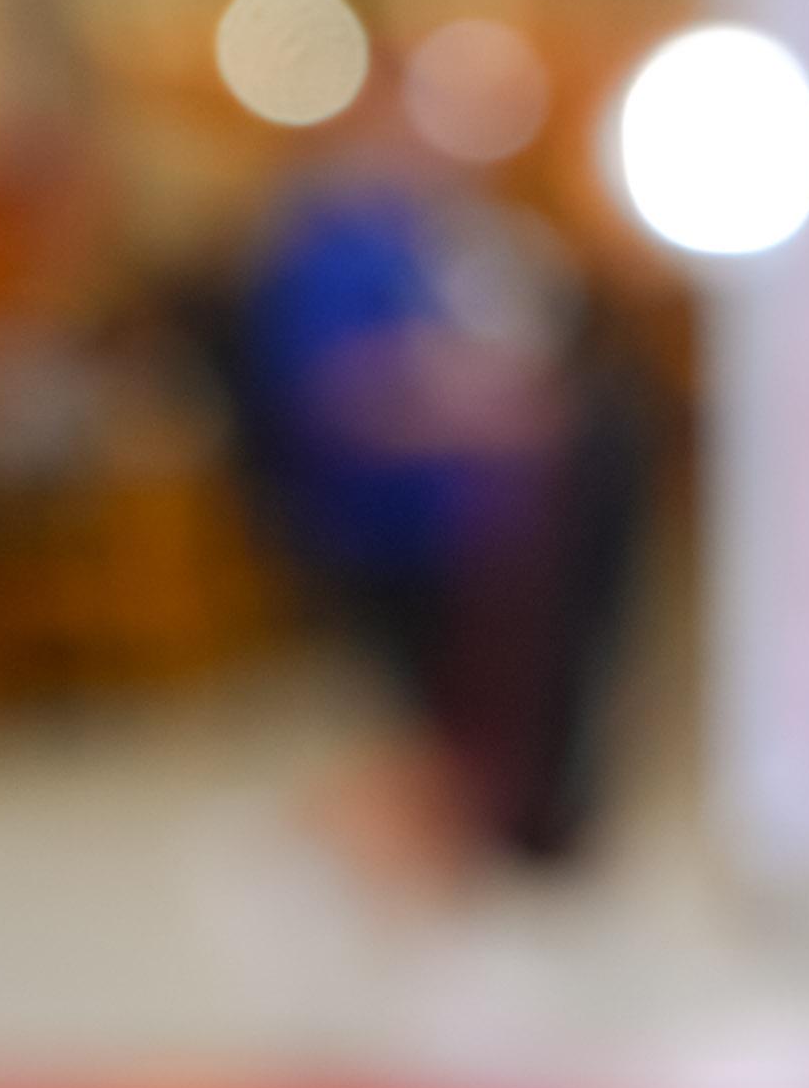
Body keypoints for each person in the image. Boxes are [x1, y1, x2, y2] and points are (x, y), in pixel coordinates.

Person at [229, 166, 649, 864]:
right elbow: (341, 394)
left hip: (490, 530)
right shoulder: (336, 253)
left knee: (500, 726)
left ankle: (487, 833)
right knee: (437, 734)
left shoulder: (444, 235)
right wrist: (481, 411)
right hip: (396, 538)